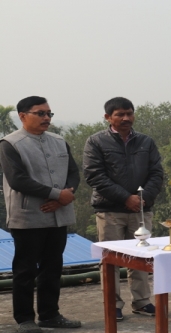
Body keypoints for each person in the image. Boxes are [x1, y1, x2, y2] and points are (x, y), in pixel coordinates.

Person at [0, 96, 81, 332]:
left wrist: (67, 193)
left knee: (53, 267)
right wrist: (58, 195)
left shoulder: (59, 141)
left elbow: (73, 173)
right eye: (41, 113)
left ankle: (50, 315)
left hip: (59, 215)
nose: (46, 118)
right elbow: (18, 180)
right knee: (25, 269)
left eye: (49, 114)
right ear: (23, 116)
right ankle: (24, 319)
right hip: (28, 216)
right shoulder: (10, 144)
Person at [82, 97, 163, 321]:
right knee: (111, 260)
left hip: (141, 210)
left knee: (141, 258)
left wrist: (141, 198)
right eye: (120, 114)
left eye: (129, 113)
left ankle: (142, 301)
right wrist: (126, 198)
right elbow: (94, 175)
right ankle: (113, 303)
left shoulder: (146, 142)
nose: (126, 118)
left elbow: (157, 173)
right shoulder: (96, 141)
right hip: (110, 210)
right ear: (108, 117)